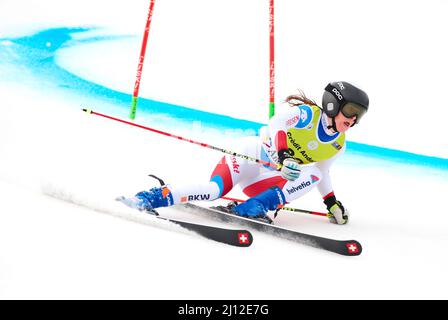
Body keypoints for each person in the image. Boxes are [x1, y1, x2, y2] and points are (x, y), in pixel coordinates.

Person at [121, 81, 369, 225]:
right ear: (332, 104)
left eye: (359, 114)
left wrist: (331, 202)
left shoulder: (338, 144)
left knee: (313, 172)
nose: (353, 119)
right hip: (250, 156)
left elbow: (321, 173)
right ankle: (150, 198)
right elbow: (276, 123)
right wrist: (284, 155)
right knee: (213, 191)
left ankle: (256, 207)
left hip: (266, 180)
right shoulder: (307, 115)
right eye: (350, 110)